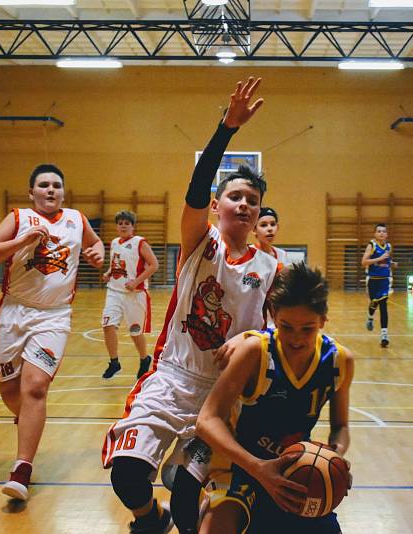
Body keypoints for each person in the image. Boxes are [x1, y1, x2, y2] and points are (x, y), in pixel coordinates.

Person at [102, 77, 279, 534]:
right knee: (126, 476)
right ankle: (148, 518)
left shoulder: (271, 267)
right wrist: (227, 129)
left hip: (221, 394)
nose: (244, 204)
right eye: (235, 197)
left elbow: (284, 337)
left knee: (185, 490)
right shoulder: (199, 242)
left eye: (253, 201)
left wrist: (254, 336)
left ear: (259, 214)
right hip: (171, 377)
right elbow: (195, 190)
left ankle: (184, 518)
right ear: (218, 206)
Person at [196, 262, 354, 534]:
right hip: (238, 465)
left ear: (323, 321)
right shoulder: (255, 352)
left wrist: (333, 457)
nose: (296, 338)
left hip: (293, 469)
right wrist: (258, 468)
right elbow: (207, 420)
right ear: (272, 316)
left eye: (308, 328)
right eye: (286, 326)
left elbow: (340, 426)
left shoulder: (339, 360)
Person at [0, 164, 104, 501]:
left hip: (54, 316)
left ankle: (22, 468)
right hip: (15, 312)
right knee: (11, 393)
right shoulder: (18, 217)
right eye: (43, 185)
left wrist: (98, 253)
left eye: (56, 185)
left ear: (63, 192)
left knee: (35, 387)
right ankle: (28, 421)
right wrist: (21, 241)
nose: (50, 190)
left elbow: (98, 246)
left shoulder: (77, 220)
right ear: (32, 192)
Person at [100, 210, 159, 380]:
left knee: (135, 332)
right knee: (108, 325)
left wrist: (135, 281)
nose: (123, 226)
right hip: (114, 291)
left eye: (127, 223)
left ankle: (144, 358)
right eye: (120, 223)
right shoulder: (114, 243)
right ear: (117, 226)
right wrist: (108, 272)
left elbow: (154, 265)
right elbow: (116, 263)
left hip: (135, 294)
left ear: (132, 226)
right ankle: (114, 362)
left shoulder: (139, 243)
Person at [252, 206, 288, 328]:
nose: (269, 229)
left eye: (272, 224)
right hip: (256, 310)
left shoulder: (282, 255)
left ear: (277, 227)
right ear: (254, 230)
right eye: (263, 225)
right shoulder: (250, 254)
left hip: (276, 308)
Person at [361, 223, 394, 347]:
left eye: (383, 231)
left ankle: (384, 335)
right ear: (375, 234)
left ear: (387, 234)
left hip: (384, 280)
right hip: (373, 280)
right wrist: (379, 258)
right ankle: (370, 317)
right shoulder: (371, 246)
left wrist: (392, 263)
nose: (381, 233)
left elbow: (386, 262)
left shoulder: (389, 246)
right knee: (373, 303)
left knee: (383, 305)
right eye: (379, 231)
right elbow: (364, 262)